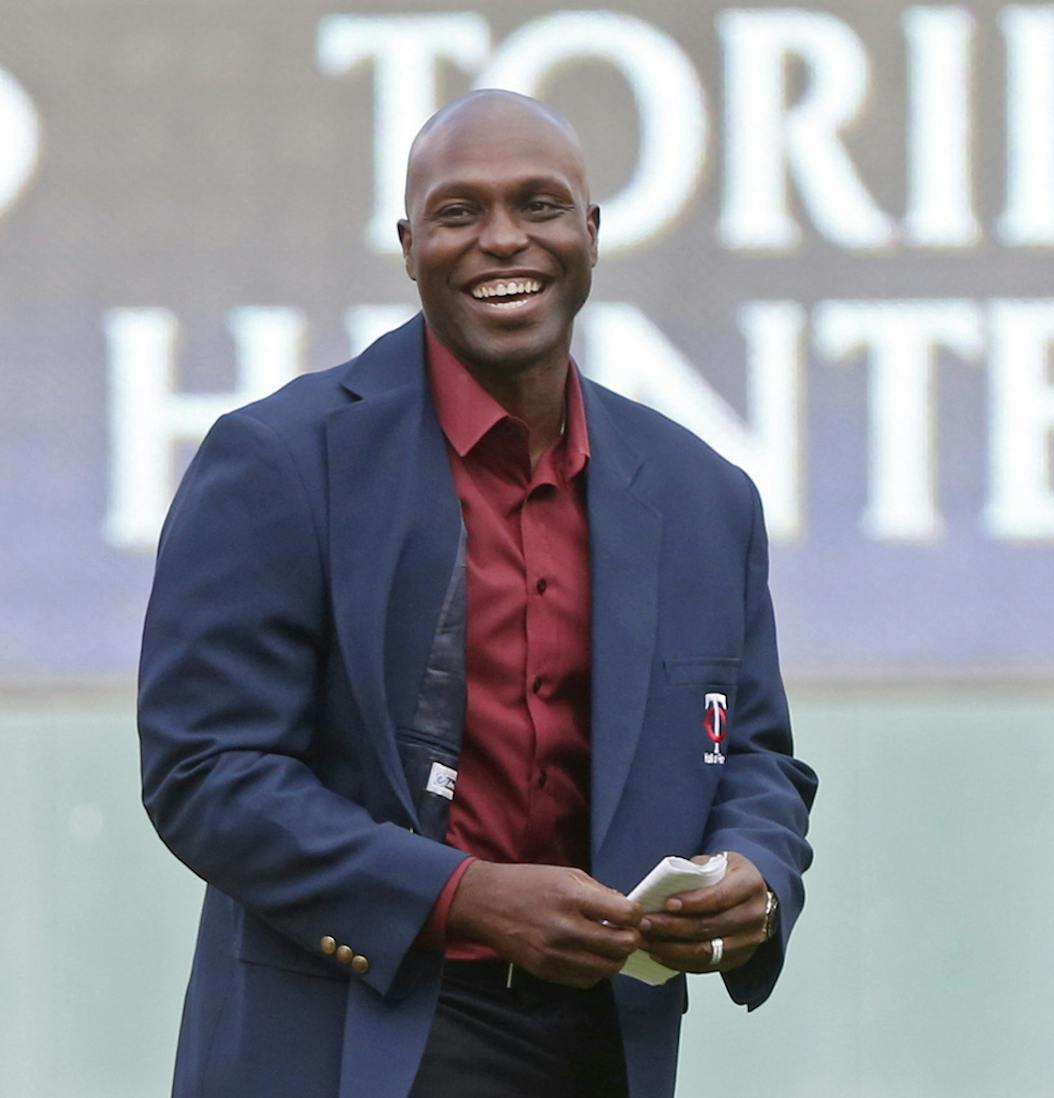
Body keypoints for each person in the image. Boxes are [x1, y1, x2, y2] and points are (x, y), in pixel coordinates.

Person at [137, 90, 816, 1098]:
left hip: (602, 1045)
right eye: (459, 213)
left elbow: (751, 750)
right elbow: (205, 770)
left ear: (591, 233)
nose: (503, 240)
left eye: (540, 206)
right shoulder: (278, 462)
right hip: (345, 1041)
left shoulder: (701, 493)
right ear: (411, 248)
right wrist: (459, 897)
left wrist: (755, 875)